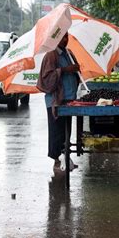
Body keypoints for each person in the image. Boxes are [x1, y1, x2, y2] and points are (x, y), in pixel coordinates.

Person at [37, 32, 80, 177]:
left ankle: (65, 156)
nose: (65, 40)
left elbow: (75, 73)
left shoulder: (68, 54)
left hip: (69, 98)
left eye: (67, 37)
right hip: (55, 100)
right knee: (56, 131)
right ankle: (56, 160)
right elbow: (47, 79)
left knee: (67, 130)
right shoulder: (51, 55)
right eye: (62, 37)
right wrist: (64, 70)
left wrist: (75, 69)